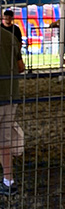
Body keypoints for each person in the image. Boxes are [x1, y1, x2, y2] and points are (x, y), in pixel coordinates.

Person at [0, 25, 24, 196]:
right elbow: (21, 66)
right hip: (9, 95)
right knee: (5, 141)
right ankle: (9, 181)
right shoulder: (10, 37)